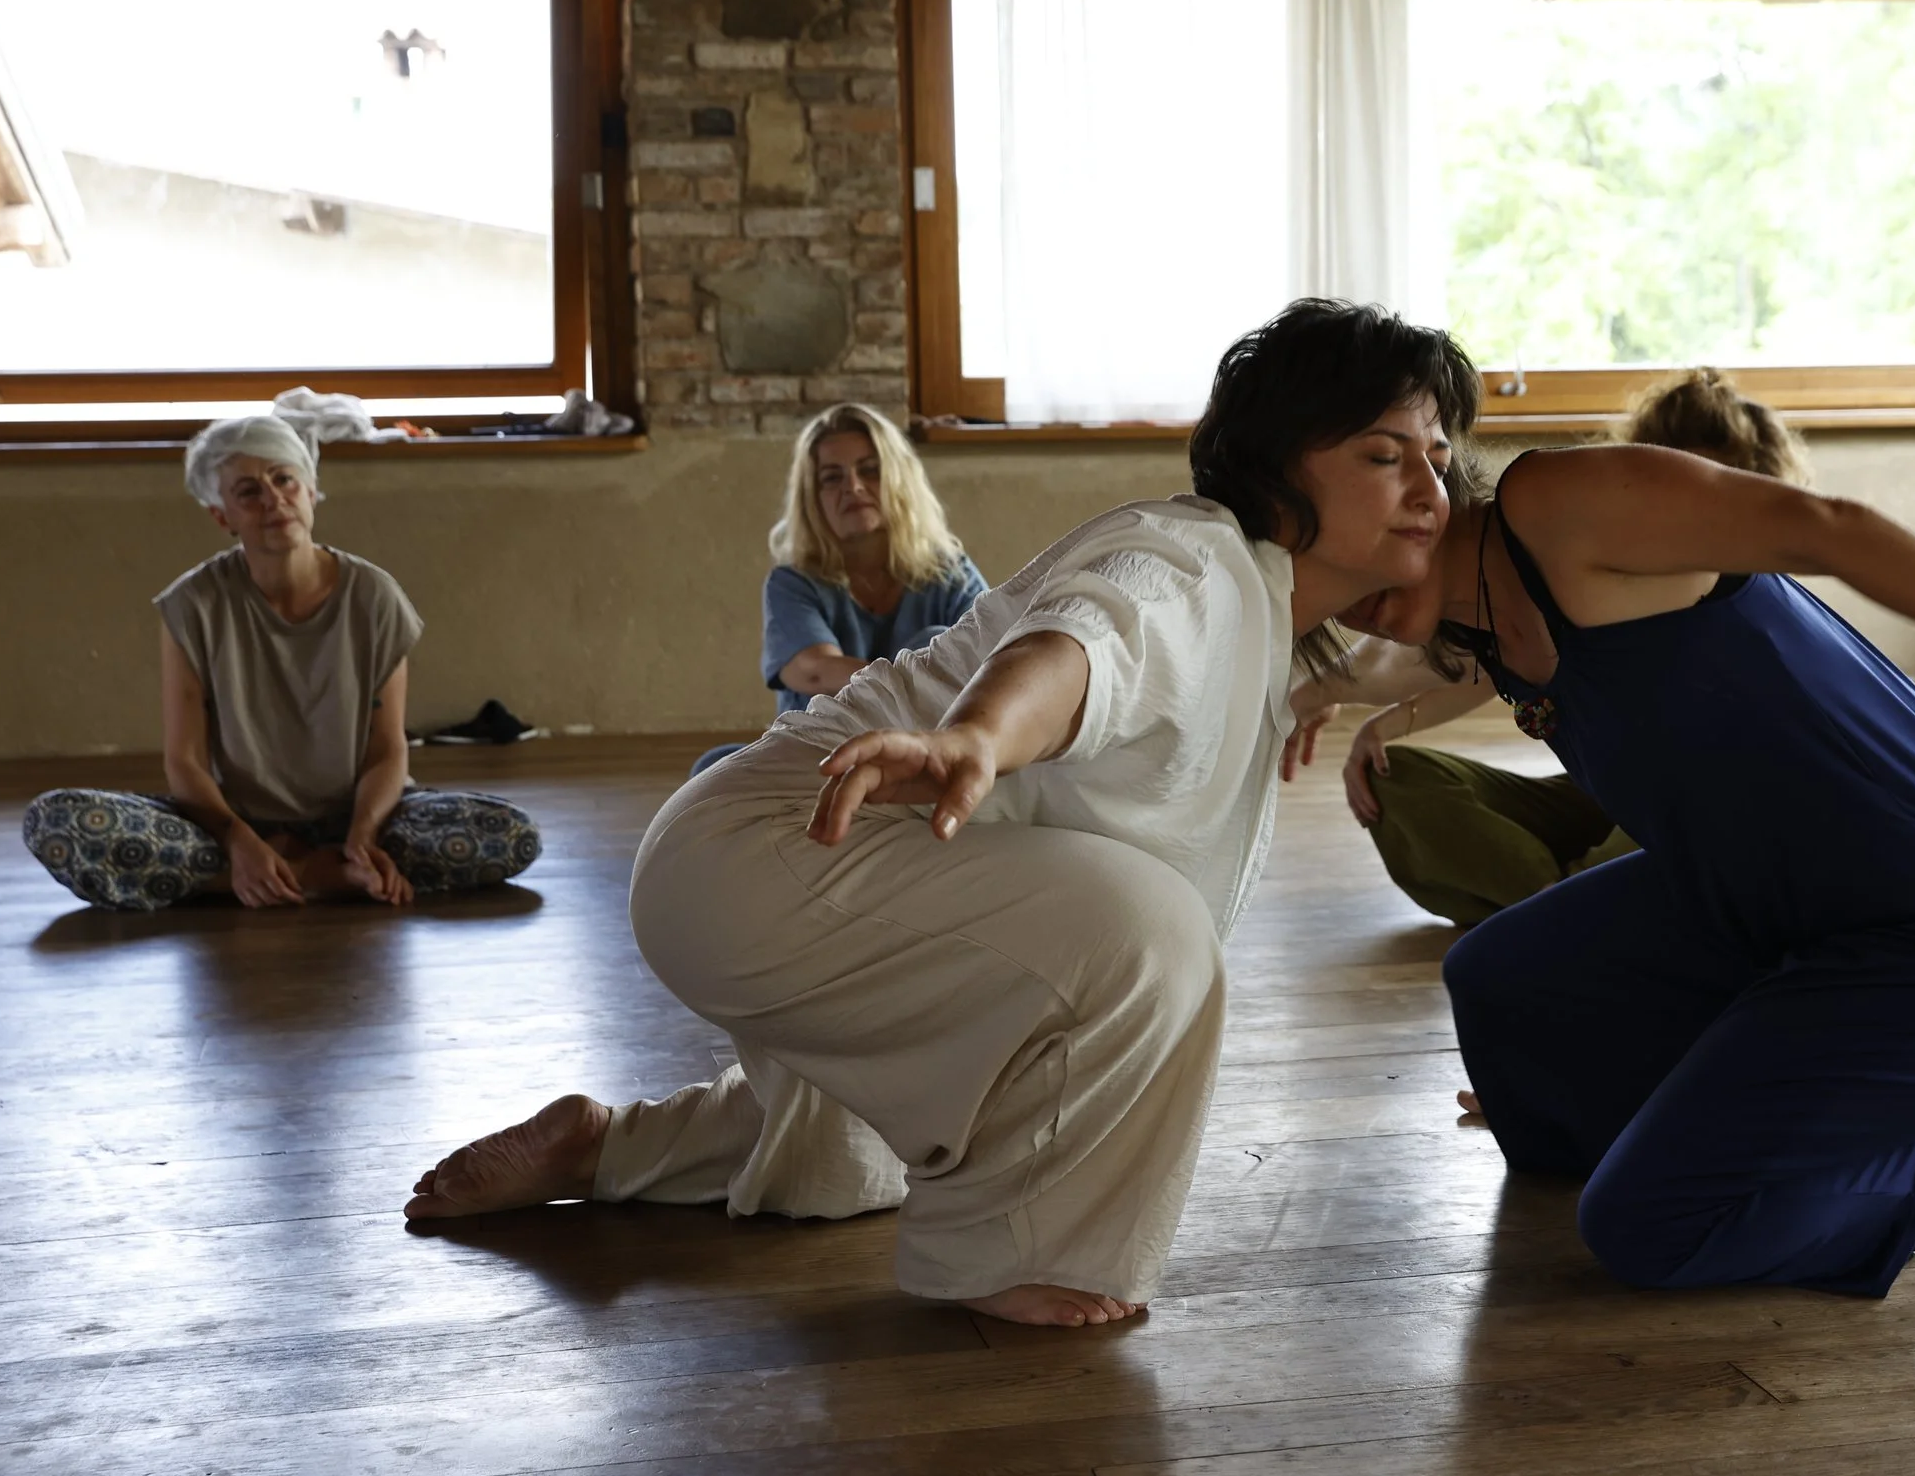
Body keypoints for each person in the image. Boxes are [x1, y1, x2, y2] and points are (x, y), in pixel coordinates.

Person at [403, 299, 1480, 1329]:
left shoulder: (1281, 629)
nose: (1427, 486)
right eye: (1384, 455)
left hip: (825, 868)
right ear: (1278, 467)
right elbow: (1089, 640)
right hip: (781, 841)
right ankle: (1017, 1252)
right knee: (1150, 930)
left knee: (838, 1164)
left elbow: (1465, 645)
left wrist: (1419, 629)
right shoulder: (1192, 561)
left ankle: (605, 1145)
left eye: (1438, 456)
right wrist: (980, 736)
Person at [1306, 388, 1915, 1295]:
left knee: (1647, 1228)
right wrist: (1302, 694)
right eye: (1324, 574)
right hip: (1774, 896)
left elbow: (1832, 527)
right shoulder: (1479, 615)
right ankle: (1670, 1132)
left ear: (1423, 483)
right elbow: (1407, 662)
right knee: (1497, 980)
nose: (1350, 596)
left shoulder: (1557, 508)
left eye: (1354, 552)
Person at [1286, 370, 1809, 925]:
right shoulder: (1567, 561)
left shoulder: (1729, 597)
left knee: (1674, 830)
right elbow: (1468, 659)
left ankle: (1575, 909)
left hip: (1710, 801)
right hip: (1615, 797)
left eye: (1715, 487)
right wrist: (1362, 717)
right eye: (1671, 478)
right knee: (1397, 778)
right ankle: (1578, 904)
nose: (1684, 508)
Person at [22, 415, 539, 913]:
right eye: (248, 491)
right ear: (222, 516)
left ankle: (260, 880)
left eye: (284, 479)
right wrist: (238, 841)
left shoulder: (374, 597)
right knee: (58, 822)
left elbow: (387, 750)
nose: (273, 500)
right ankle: (318, 878)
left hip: (359, 817)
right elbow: (185, 761)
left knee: (511, 834)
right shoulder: (193, 605)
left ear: (310, 491)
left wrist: (361, 839)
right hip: (235, 824)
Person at [690, 404, 987, 777]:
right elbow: (814, 671)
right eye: (832, 477)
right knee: (712, 768)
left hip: (923, 749)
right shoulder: (793, 583)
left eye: (870, 470)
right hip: (823, 752)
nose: (853, 486)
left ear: (900, 480)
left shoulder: (950, 572)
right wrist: (915, 681)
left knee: (934, 640)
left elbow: (994, 655)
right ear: (812, 499)